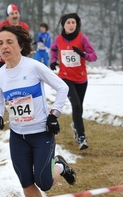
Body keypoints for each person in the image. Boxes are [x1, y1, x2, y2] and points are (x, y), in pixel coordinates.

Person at [0, 25, 76, 197]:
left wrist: (54, 115)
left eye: (9, 42)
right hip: (18, 136)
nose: (5, 46)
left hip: (41, 133)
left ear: (20, 45)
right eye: (1, 43)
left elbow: (62, 87)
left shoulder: (34, 67)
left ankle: (61, 166)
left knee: (44, 182)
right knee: (26, 181)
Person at [50, 13, 97, 150]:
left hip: (81, 78)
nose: (71, 25)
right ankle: (82, 137)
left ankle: (76, 126)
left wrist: (83, 54)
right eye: (68, 22)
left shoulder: (82, 38)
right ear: (63, 25)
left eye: (73, 22)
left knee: (79, 108)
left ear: (77, 24)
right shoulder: (58, 39)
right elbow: (53, 49)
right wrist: (53, 61)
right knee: (76, 105)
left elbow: (93, 56)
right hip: (65, 78)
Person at [0, 3, 29, 70]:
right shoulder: (1, 26)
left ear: (19, 14)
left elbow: (26, 43)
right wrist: (2, 47)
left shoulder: (24, 27)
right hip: (3, 62)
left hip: (20, 61)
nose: (14, 16)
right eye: (12, 14)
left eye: (16, 13)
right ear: (8, 16)